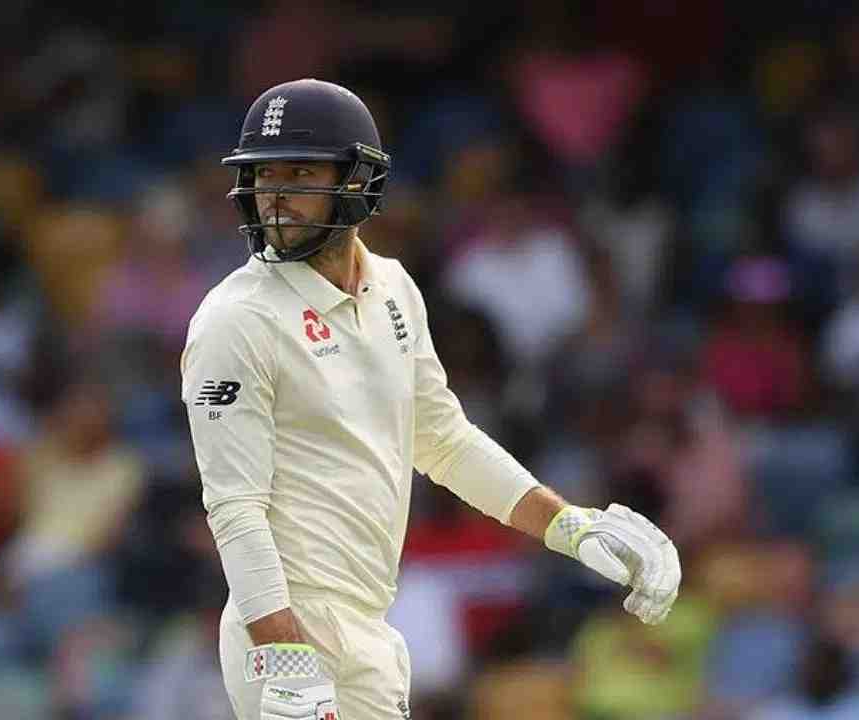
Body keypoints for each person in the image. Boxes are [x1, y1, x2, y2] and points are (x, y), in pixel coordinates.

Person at [180, 78, 681, 720]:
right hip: (286, 630)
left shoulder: (393, 289)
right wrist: (285, 656)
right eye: (261, 176)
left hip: (369, 625)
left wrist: (568, 526)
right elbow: (234, 507)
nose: (274, 197)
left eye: (299, 173)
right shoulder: (236, 320)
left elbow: (443, 441)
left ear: (358, 180)